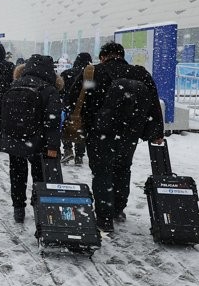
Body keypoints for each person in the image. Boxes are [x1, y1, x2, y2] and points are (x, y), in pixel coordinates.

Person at [67, 41, 165, 232]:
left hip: (100, 132)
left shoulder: (93, 72)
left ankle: (104, 217)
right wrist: (156, 132)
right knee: (123, 168)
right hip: (130, 133)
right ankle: (118, 209)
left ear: (103, 56)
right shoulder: (141, 73)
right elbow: (154, 103)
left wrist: (85, 119)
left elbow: (76, 99)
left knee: (102, 171)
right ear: (122, 55)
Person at [0, 55, 63, 223]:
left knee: (17, 174)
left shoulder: (14, 85)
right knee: (40, 176)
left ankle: (18, 209)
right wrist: (53, 146)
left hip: (15, 139)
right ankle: (39, 208)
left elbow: (3, 114)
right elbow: (53, 121)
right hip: (37, 142)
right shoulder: (49, 89)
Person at [59, 52, 93, 165]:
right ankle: (79, 155)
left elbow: (61, 91)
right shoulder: (90, 74)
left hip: (69, 106)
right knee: (80, 129)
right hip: (84, 107)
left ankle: (68, 149)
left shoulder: (67, 73)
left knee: (67, 127)